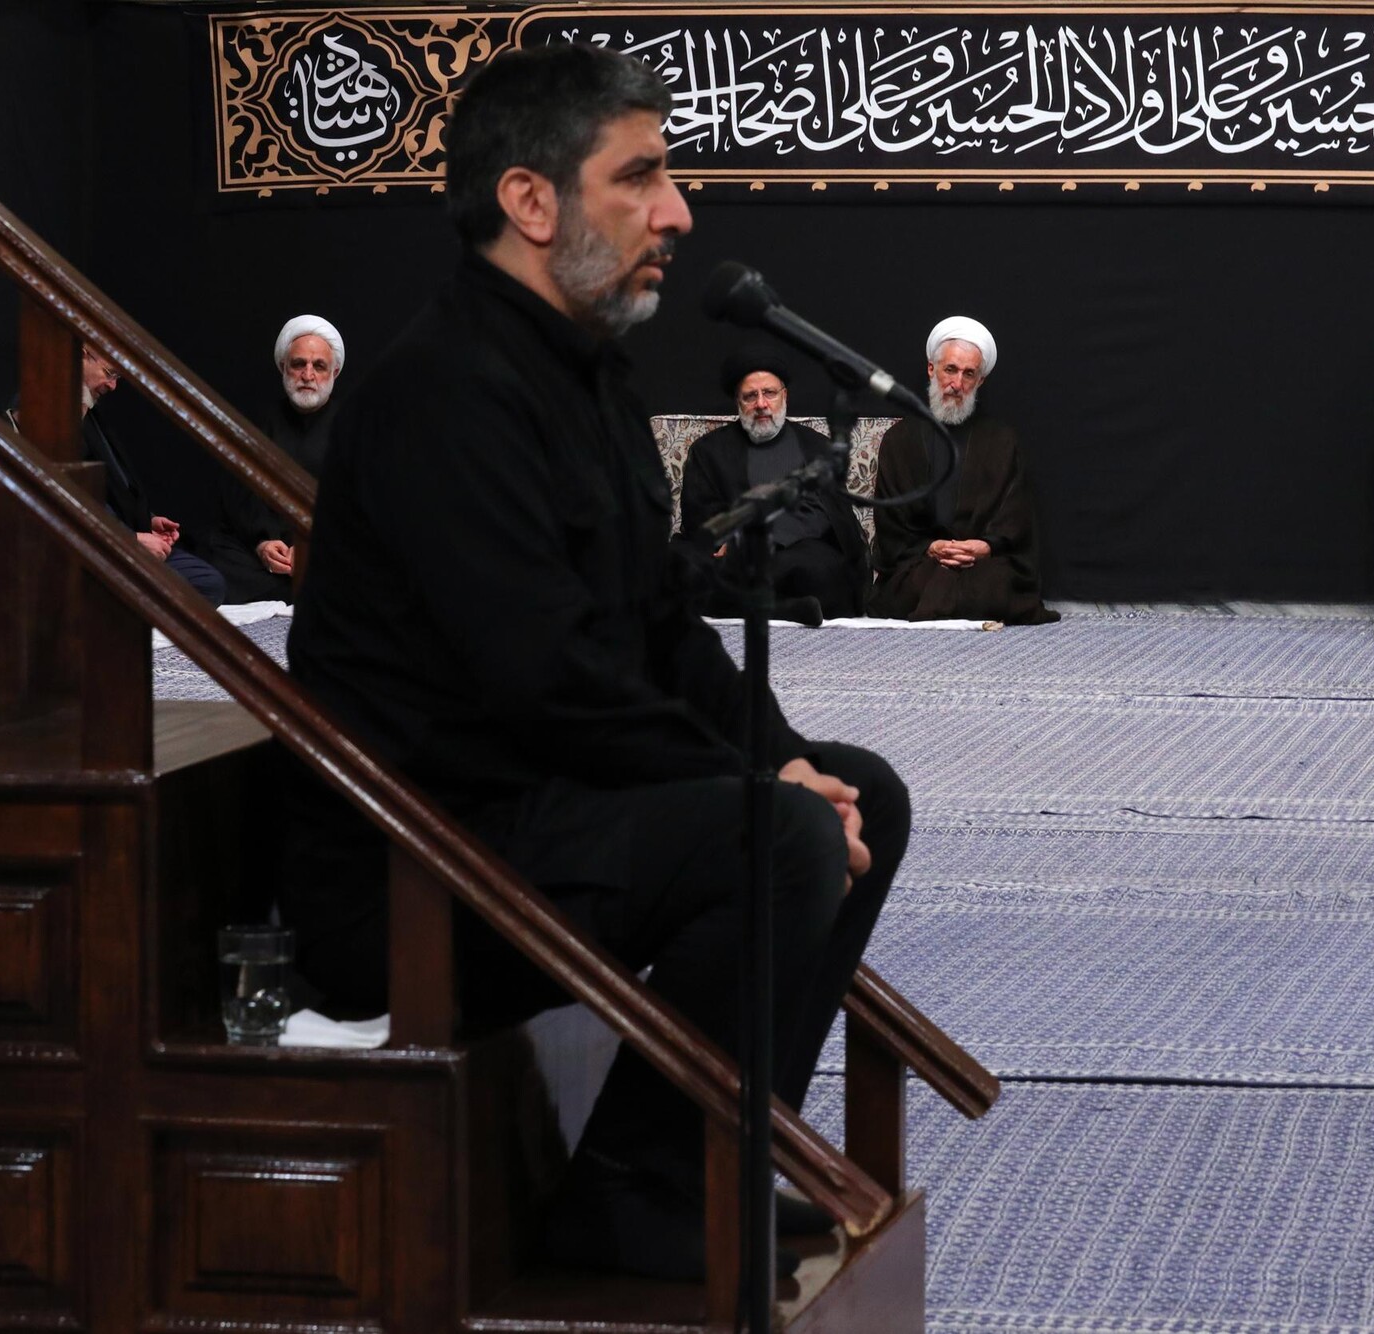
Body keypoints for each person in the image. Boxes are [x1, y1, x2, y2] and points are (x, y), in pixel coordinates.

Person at [282, 43, 908, 1281]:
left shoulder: (591, 381)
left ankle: (721, 1153)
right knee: (777, 834)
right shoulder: (443, 392)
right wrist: (764, 792)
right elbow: (545, 676)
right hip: (423, 860)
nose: (677, 214)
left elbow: (662, 631)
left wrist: (783, 756)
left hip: (541, 809)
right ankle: (632, 1196)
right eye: (640, 177)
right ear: (530, 200)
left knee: (858, 794)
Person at [868, 316, 1058, 624]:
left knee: (994, 584)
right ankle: (956, 603)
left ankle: (940, 605)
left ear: (980, 381)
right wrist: (931, 547)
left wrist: (984, 546)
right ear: (932, 369)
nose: (957, 384)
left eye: (969, 374)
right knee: (919, 584)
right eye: (950, 369)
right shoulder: (899, 440)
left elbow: (1016, 518)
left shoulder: (1002, 441)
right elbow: (891, 524)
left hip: (982, 565)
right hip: (922, 562)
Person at [673, 342, 870, 623]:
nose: (761, 404)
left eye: (769, 393)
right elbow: (699, 515)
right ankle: (785, 610)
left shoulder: (816, 447)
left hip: (798, 557)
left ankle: (743, 605)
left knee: (818, 568)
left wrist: (764, 537)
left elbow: (827, 516)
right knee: (681, 564)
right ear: (738, 402)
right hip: (736, 560)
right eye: (750, 396)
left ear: (784, 396)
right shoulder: (708, 451)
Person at [194, 316, 344, 604]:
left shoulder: (351, 429)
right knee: (216, 560)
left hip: (327, 546)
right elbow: (238, 494)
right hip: (265, 548)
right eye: (298, 364)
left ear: (334, 372)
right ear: (283, 367)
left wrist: (311, 545)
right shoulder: (260, 423)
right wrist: (263, 542)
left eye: (319, 366)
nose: (308, 375)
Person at [78, 344, 227, 605]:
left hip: (130, 535)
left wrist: (147, 520)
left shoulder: (90, 411)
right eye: (109, 373)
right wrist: (130, 540)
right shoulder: (51, 412)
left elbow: (113, 487)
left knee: (208, 582)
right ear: (82, 354)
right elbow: (76, 496)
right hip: (101, 544)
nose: (113, 386)